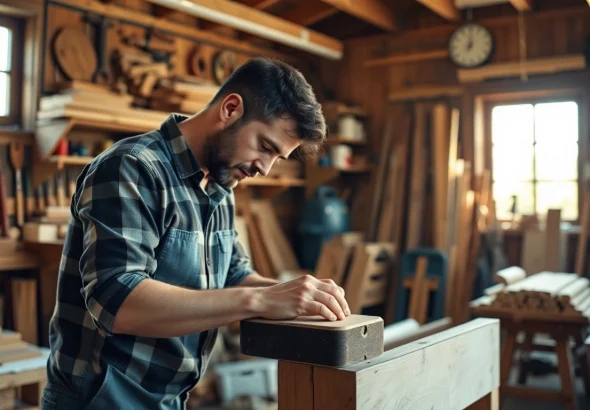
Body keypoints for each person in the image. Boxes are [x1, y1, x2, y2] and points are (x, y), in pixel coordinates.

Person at [41, 57, 350, 410]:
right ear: (231, 109)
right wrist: (261, 301)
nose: (264, 169)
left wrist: (300, 295)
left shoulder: (220, 185)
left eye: (278, 158)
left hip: (170, 399)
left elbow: (234, 276)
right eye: (265, 147)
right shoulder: (133, 167)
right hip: (102, 400)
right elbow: (116, 301)